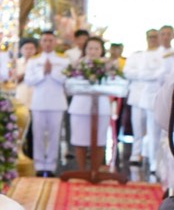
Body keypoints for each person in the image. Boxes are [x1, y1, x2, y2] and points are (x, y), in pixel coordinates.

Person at [22, 31, 68, 176]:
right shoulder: (34, 60)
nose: (48, 43)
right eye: (45, 40)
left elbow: (66, 79)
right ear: (40, 43)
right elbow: (29, 80)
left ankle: (51, 166)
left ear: (55, 42)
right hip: (39, 102)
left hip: (56, 103)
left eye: (50, 40)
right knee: (38, 135)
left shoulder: (63, 60)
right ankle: (39, 165)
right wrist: (42, 73)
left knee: (54, 135)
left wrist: (52, 72)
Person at [68, 35, 115, 171]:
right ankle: (82, 171)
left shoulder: (109, 65)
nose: (93, 51)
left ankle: (95, 171)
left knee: (99, 141)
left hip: (101, 107)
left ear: (102, 50)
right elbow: (70, 83)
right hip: (80, 106)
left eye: (96, 48)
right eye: (90, 48)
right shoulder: (77, 64)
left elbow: (113, 83)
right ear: (85, 50)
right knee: (79, 140)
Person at [126, 30, 163, 168]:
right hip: (137, 96)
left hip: (153, 97)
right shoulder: (137, 55)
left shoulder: (163, 55)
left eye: (155, 37)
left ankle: (154, 160)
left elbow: (161, 74)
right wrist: (146, 75)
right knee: (137, 127)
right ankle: (136, 154)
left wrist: (144, 75)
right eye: (150, 37)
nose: (152, 39)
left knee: (154, 131)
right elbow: (128, 72)